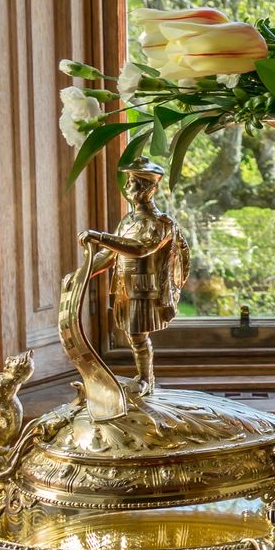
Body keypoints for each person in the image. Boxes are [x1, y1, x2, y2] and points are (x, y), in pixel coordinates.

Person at [78, 158, 189, 394]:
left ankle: (146, 379)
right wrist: (83, 273)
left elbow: (140, 248)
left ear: (151, 189)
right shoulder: (128, 220)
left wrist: (99, 236)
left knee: (138, 335)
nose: (130, 189)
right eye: (129, 183)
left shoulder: (160, 223)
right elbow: (109, 256)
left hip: (144, 287)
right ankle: (143, 377)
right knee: (132, 335)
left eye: (136, 184)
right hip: (124, 287)